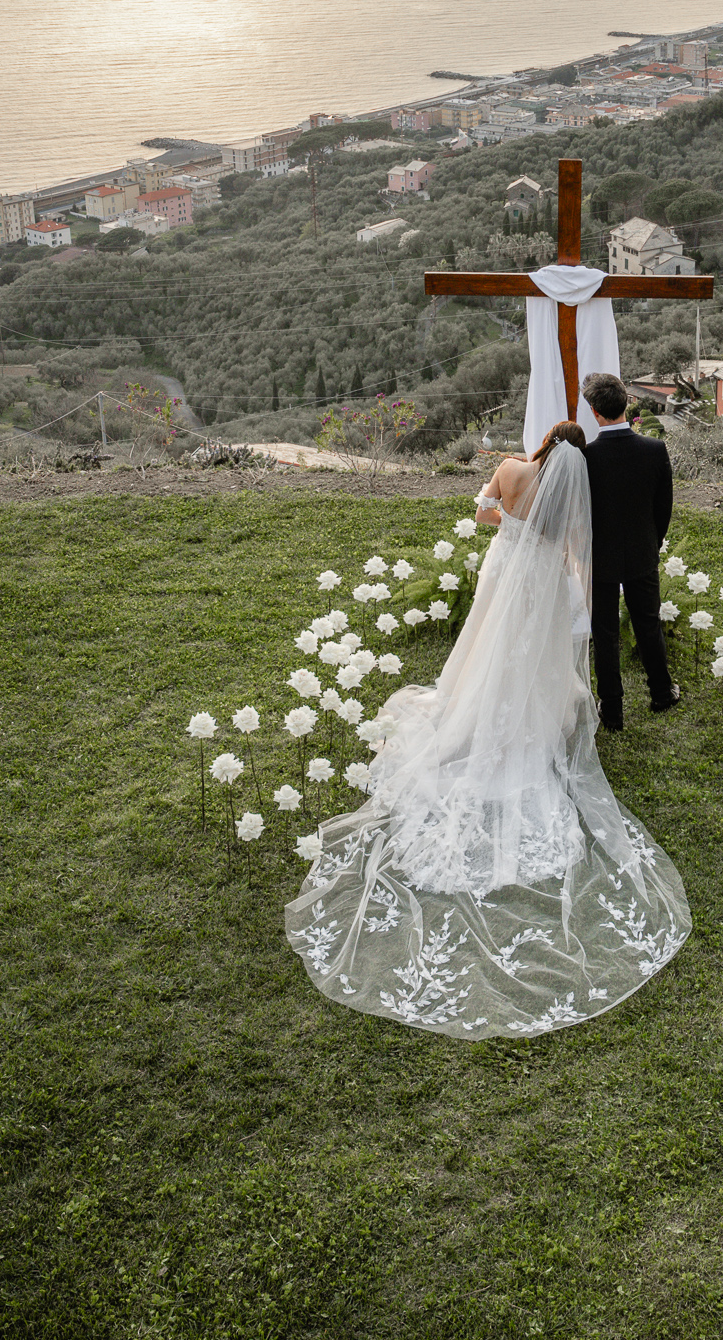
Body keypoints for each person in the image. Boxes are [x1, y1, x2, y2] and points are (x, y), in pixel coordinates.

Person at [285, 421, 690, 1040]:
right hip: (545, 584)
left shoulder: (510, 467)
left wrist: (510, 522)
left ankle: (476, 715)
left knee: (487, 650)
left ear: (546, 446)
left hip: (505, 573)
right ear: (575, 462)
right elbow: (575, 552)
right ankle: (528, 721)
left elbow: (482, 515)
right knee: (530, 660)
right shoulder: (573, 494)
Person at [580, 370, 680, 733]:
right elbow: (663, 509)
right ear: (627, 404)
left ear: (594, 411)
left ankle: (614, 711)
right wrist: (651, 544)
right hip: (641, 551)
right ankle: (661, 693)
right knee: (648, 624)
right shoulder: (655, 450)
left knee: (604, 633)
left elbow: (582, 513)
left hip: (600, 557)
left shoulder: (586, 457)